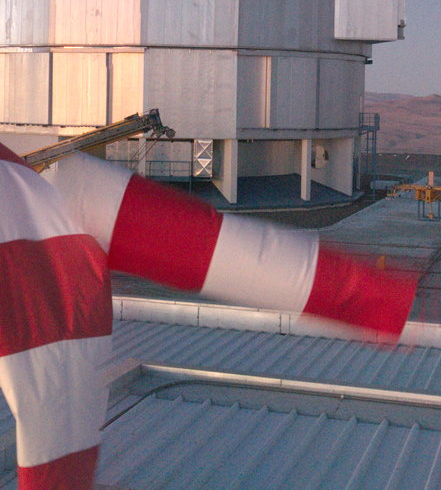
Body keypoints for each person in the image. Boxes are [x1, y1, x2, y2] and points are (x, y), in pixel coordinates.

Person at [0, 142, 417, 489]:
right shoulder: (40, 182)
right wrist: (367, 296)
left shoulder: (30, 184)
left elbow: (196, 243)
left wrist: (366, 296)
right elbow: (201, 244)